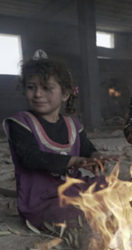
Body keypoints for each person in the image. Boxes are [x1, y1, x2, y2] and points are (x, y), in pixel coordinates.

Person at [2, 51, 117, 228]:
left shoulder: (73, 124)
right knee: (73, 213)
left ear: (65, 94)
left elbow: (87, 148)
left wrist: (97, 157)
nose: (38, 94)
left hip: (72, 189)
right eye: (31, 87)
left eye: (46, 88)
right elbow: (31, 158)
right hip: (42, 200)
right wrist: (74, 161)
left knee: (115, 187)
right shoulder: (21, 123)